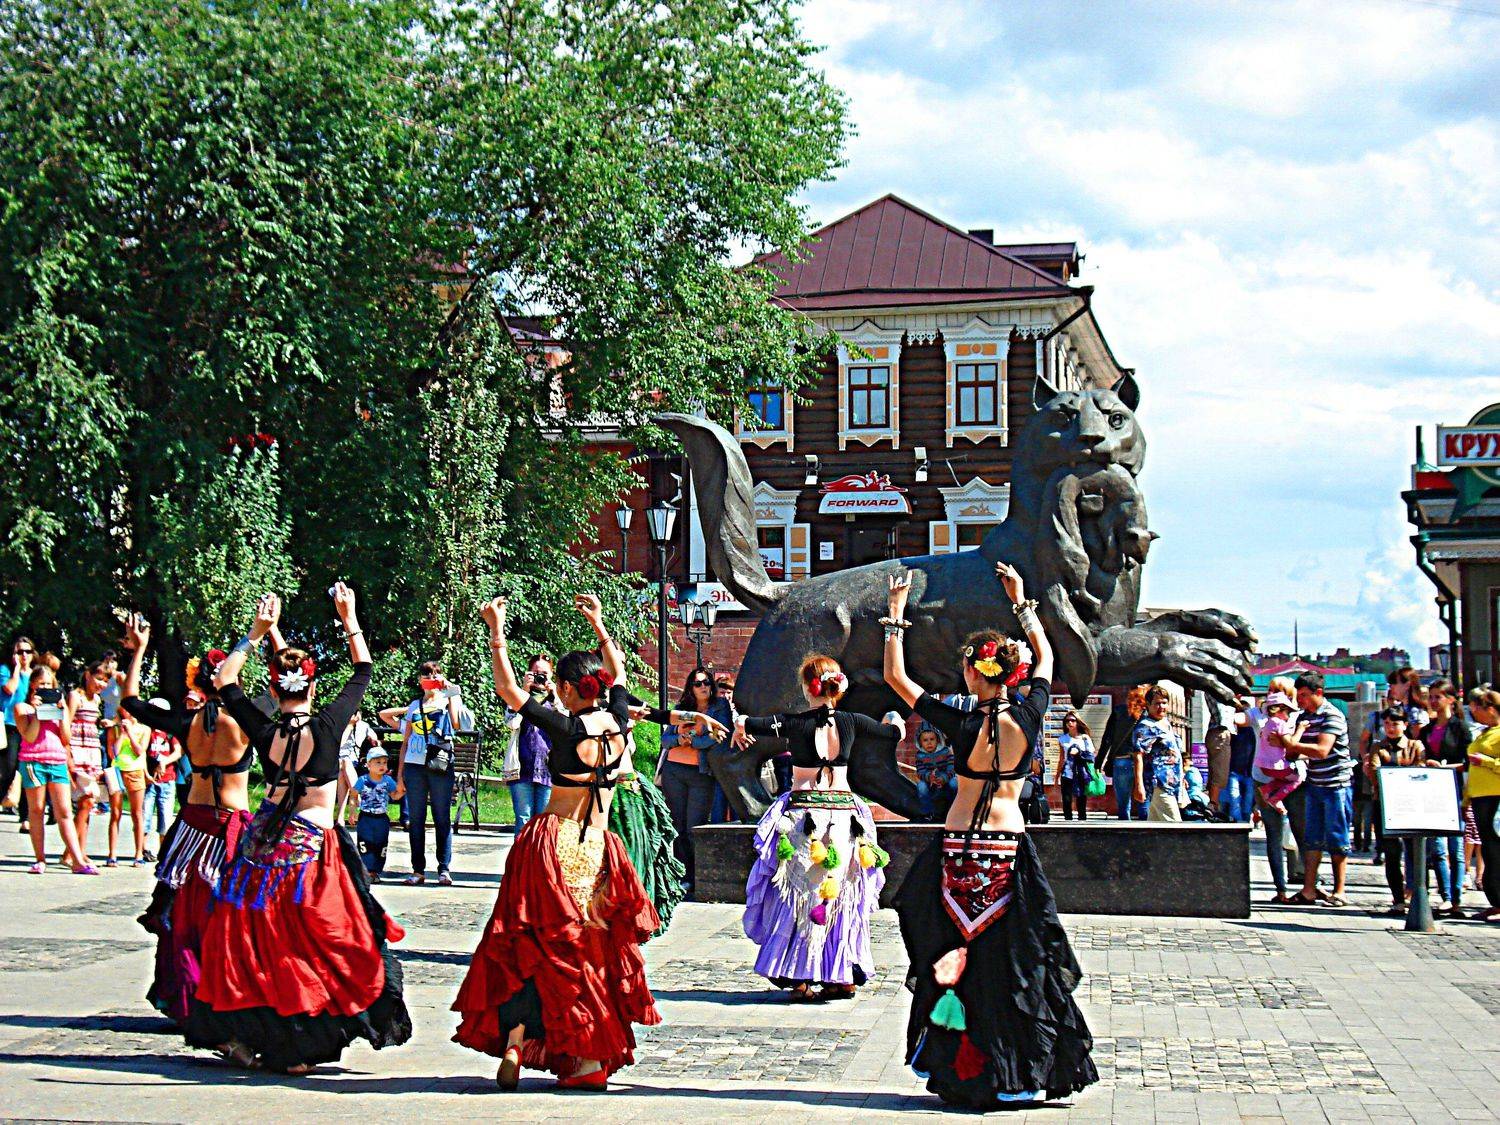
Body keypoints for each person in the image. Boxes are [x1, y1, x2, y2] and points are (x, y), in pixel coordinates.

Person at [883, 560, 1095, 1109]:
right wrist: (1022, 604)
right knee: (1013, 958)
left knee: (955, 956)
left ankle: (967, 1068)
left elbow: (896, 680)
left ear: (975, 674)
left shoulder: (960, 723)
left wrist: (896, 616)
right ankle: (1017, 1069)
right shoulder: (1030, 714)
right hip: (1007, 848)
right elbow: (1047, 659)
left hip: (958, 850)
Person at [193, 585, 411, 1074]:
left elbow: (225, 679)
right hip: (313, 847)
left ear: (274, 691)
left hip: (262, 845)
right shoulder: (330, 725)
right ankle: (299, 1044)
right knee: (318, 939)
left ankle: (259, 1036)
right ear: (312, 688)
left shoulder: (263, 727)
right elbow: (363, 669)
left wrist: (257, 633)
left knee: (259, 940)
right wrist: (349, 617)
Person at [455, 592, 660, 1092]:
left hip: (551, 843)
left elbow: (508, 690)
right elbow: (620, 672)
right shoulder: (618, 719)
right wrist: (600, 626)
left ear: (567, 688)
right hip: (598, 848)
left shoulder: (564, 726)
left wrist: (497, 630)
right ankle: (586, 1058)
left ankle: (517, 1035)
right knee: (588, 950)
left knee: (529, 942)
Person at [120, 618, 273, 1026]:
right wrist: (263, 635)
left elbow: (131, 702)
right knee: (231, 915)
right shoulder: (245, 721)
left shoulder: (186, 722)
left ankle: (188, 994)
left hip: (190, 827)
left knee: (186, 915)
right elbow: (284, 687)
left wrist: (139, 649)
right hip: (228, 829)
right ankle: (226, 996)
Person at [730, 656, 897, 1003]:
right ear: (839, 687)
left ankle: (800, 976)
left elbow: (751, 722)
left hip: (803, 818)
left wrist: (740, 724)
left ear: (808, 687)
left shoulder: (792, 723)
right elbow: (892, 732)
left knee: (803, 893)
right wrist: (893, 719)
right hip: (845, 820)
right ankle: (841, 976)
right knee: (839, 893)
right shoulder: (853, 721)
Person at [15, 659, 97, 875]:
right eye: (41, 684)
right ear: (32, 685)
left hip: (57, 760)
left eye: (49, 685)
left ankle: (77, 860)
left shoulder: (59, 708)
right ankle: (40, 859)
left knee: (64, 811)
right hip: (33, 760)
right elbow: (30, 736)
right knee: (36, 810)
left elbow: (66, 738)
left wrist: (62, 713)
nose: (45, 688)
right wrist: (38, 713)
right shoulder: (23, 708)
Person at [658, 666, 732, 893]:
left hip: (701, 774)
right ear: (691, 687)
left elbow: (720, 736)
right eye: (697, 683)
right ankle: (683, 875)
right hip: (674, 771)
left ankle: (698, 875)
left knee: (694, 827)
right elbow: (665, 740)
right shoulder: (681, 709)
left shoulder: (720, 707)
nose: (703, 687)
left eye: (707, 682)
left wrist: (692, 740)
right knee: (678, 826)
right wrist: (682, 739)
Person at [391, 661, 463, 887]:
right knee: (416, 819)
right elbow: (405, 741)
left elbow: (456, 723)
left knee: (442, 816)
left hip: (440, 764)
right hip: (414, 765)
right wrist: (400, 775)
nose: (431, 678)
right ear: (420, 680)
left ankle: (444, 868)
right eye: (427, 674)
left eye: (435, 674)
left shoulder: (447, 700)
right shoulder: (414, 705)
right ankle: (418, 869)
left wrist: (450, 690)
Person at [1286, 671, 1353, 908]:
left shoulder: (1332, 715)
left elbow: (1322, 750)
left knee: (1337, 838)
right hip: (1315, 784)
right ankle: (1309, 889)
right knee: (1312, 839)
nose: (1300, 700)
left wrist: (1291, 743)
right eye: (1298, 695)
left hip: (1336, 785)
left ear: (1319, 693)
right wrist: (1291, 745)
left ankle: (1339, 890)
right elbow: (1292, 753)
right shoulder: (1304, 717)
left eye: (1304, 695)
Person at [1419, 679, 1470, 918]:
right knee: (1437, 847)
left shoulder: (1460, 728)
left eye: (1438, 697)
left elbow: (1468, 761)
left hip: (1454, 788)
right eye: (1431, 697)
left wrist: (1446, 767)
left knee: (1455, 846)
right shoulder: (1427, 730)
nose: (1433, 701)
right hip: (1432, 789)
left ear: (1450, 700)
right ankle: (1446, 895)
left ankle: (1456, 897)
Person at [1367, 707, 1421, 915]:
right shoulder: (1377, 747)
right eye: (1387, 724)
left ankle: (1417, 895)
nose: (1390, 728)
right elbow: (1375, 773)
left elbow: (1420, 770)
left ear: (1405, 725)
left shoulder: (1415, 746)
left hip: (1411, 806)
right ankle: (1398, 899)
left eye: (1395, 724)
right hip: (1384, 804)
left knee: (1415, 853)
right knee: (1391, 853)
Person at [503, 654, 557, 835]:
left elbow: (567, 722)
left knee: (544, 823)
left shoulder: (557, 700)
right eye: (536, 673)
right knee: (523, 821)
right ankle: (521, 855)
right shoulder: (519, 698)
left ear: (552, 675)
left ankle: (540, 855)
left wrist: (554, 695)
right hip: (522, 768)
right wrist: (523, 692)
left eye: (544, 674)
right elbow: (511, 723)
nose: (540, 677)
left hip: (549, 770)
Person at [66, 657, 113, 860]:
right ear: (88, 675)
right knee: (86, 800)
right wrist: (68, 754)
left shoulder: (97, 700)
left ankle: (80, 851)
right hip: (77, 751)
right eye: (99, 679)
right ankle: (70, 851)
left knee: (88, 802)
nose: (101, 684)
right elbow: (66, 724)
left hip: (92, 752)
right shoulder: (76, 696)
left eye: (105, 681)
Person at [1465, 687, 1500, 922]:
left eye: (1476, 708)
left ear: (1491, 709)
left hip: (1496, 798)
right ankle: (1495, 902)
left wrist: (1486, 762)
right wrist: (1466, 798)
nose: (1473, 713)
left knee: (1496, 851)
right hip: (1479, 798)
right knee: (1489, 851)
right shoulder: (1483, 733)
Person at [1134, 686, 1184, 823]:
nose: (1161, 707)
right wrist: (1139, 785)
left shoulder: (1164, 722)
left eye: (1164, 703)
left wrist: (1181, 776)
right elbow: (1138, 755)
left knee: (1156, 827)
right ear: (1148, 705)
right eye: (1157, 703)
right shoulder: (1146, 726)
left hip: (1171, 782)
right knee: (1174, 824)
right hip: (1158, 782)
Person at [2, 637, 36, 826]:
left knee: (27, 770)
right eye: (19, 651)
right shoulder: (6, 671)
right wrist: (16, 669)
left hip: (30, 725)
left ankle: (25, 818)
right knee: (9, 768)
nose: (24, 655)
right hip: (10, 725)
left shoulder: (35, 675)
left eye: (27, 651)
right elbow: (9, 689)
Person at [1252, 692, 1305, 813]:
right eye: (1288, 712)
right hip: (1276, 765)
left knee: (1283, 779)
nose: (1288, 716)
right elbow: (1291, 743)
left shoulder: (1268, 723)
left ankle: (1266, 789)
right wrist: (1301, 729)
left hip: (1264, 766)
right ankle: (1275, 799)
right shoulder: (1280, 723)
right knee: (1297, 779)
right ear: (1279, 710)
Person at [141, 711, 183, 862]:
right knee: (145, 816)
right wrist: (145, 773)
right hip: (149, 780)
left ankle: (163, 852)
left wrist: (163, 762)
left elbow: (178, 752)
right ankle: (143, 850)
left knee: (165, 817)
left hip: (167, 780)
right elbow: (141, 752)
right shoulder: (148, 731)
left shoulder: (170, 733)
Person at [351, 748, 398, 881]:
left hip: (381, 818)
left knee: (381, 844)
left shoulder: (388, 781)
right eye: (378, 762)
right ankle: (367, 870)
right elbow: (353, 795)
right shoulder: (363, 780)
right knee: (364, 843)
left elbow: (394, 795)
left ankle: (376, 870)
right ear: (368, 764)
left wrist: (402, 790)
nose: (382, 765)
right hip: (366, 817)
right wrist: (353, 812)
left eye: (384, 762)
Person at [112, 706, 151, 866]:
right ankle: (112, 855)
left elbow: (139, 751)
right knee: (115, 813)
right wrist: (122, 733)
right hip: (117, 770)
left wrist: (130, 733)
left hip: (135, 771)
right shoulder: (116, 728)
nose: (126, 713)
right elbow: (114, 752)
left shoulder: (145, 729)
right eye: (123, 711)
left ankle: (138, 854)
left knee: (137, 813)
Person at [1101, 686, 1147, 820]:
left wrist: (1099, 762)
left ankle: (1125, 830)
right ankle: (1146, 829)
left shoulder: (1118, 711)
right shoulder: (1148, 715)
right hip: (1143, 761)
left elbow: (1108, 738)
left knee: (1123, 804)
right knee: (1143, 800)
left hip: (1121, 759)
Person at [336, 709, 378, 824]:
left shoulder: (364, 725)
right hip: (336, 759)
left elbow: (373, 737)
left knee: (343, 770)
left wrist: (373, 740)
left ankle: (340, 818)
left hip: (352, 762)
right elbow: (338, 744)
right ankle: (358, 797)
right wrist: (349, 725)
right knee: (344, 763)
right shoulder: (340, 724)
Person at [1056, 711, 1095, 822]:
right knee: (1066, 800)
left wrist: (1079, 753)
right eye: (1067, 721)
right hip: (1067, 773)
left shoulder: (1084, 738)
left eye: (1073, 720)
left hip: (1081, 773)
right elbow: (1061, 758)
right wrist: (1057, 775)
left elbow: (1091, 755)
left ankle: (1082, 822)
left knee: (1081, 799)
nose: (1070, 723)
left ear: (1077, 722)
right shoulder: (1063, 739)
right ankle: (1067, 822)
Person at [916, 725, 958, 820]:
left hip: (946, 776)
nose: (929, 743)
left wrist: (944, 778)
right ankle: (927, 813)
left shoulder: (946, 751)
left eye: (932, 739)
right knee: (921, 787)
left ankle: (955, 809)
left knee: (954, 784)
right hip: (930, 778)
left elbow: (952, 768)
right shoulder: (920, 756)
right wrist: (929, 777)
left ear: (938, 740)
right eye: (925, 740)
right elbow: (920, 771)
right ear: (920, 743)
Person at [1221, 711, 1257, 822]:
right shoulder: (1233, 733)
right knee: (1237, 799)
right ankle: (1240, 822)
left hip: (1245, 771)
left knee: (1242, 799)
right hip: (1239, 771)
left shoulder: (1252, 732)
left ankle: (1243, 821)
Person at [1204, 720, 1231, 808]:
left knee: (1216, 771)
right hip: (1220, 733)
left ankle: (1213, 805)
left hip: (1218, 733)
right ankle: (1213, 805)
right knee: (1219, 773)